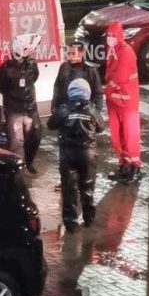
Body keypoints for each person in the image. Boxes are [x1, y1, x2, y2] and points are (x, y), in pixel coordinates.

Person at [48, 78, 104, 233]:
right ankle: (89, 220)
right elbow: (101, 127)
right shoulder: (92, 111)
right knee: (88, 187)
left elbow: (51, 124)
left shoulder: (64, 110)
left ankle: (71, 223)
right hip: (88, 154)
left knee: (69, 188)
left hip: (68, 154)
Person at [0, 34, 43, 174]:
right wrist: (13, 97)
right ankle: (18, 169)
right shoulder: (6, 68)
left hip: (30, 108)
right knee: (16, 143)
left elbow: (34, 78)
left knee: (35, 136)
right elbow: (0, 86)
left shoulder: (32, 65)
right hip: (14, 110)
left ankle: (29, 162)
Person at [104, 21, 142, 183]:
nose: (109, 39)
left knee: (129, 134)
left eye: (112, 36)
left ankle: (134, 167)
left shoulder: (126, 52)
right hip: (114, 100)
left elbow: (120, 78)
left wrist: (108, 88)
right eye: (108, 36)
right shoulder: (113, 50)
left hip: (126, 101)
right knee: (117, 134)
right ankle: (124, 165)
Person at [52, 41, 104, 113]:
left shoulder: (90, 69)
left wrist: (97, 112)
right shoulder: (64, 67)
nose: (70, 56)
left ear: (81, 53)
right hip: (66, 110)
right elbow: (57, 88)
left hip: (85, 111)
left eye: (73, 53)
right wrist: (54, 107)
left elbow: (98, 92)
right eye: (69, 53)